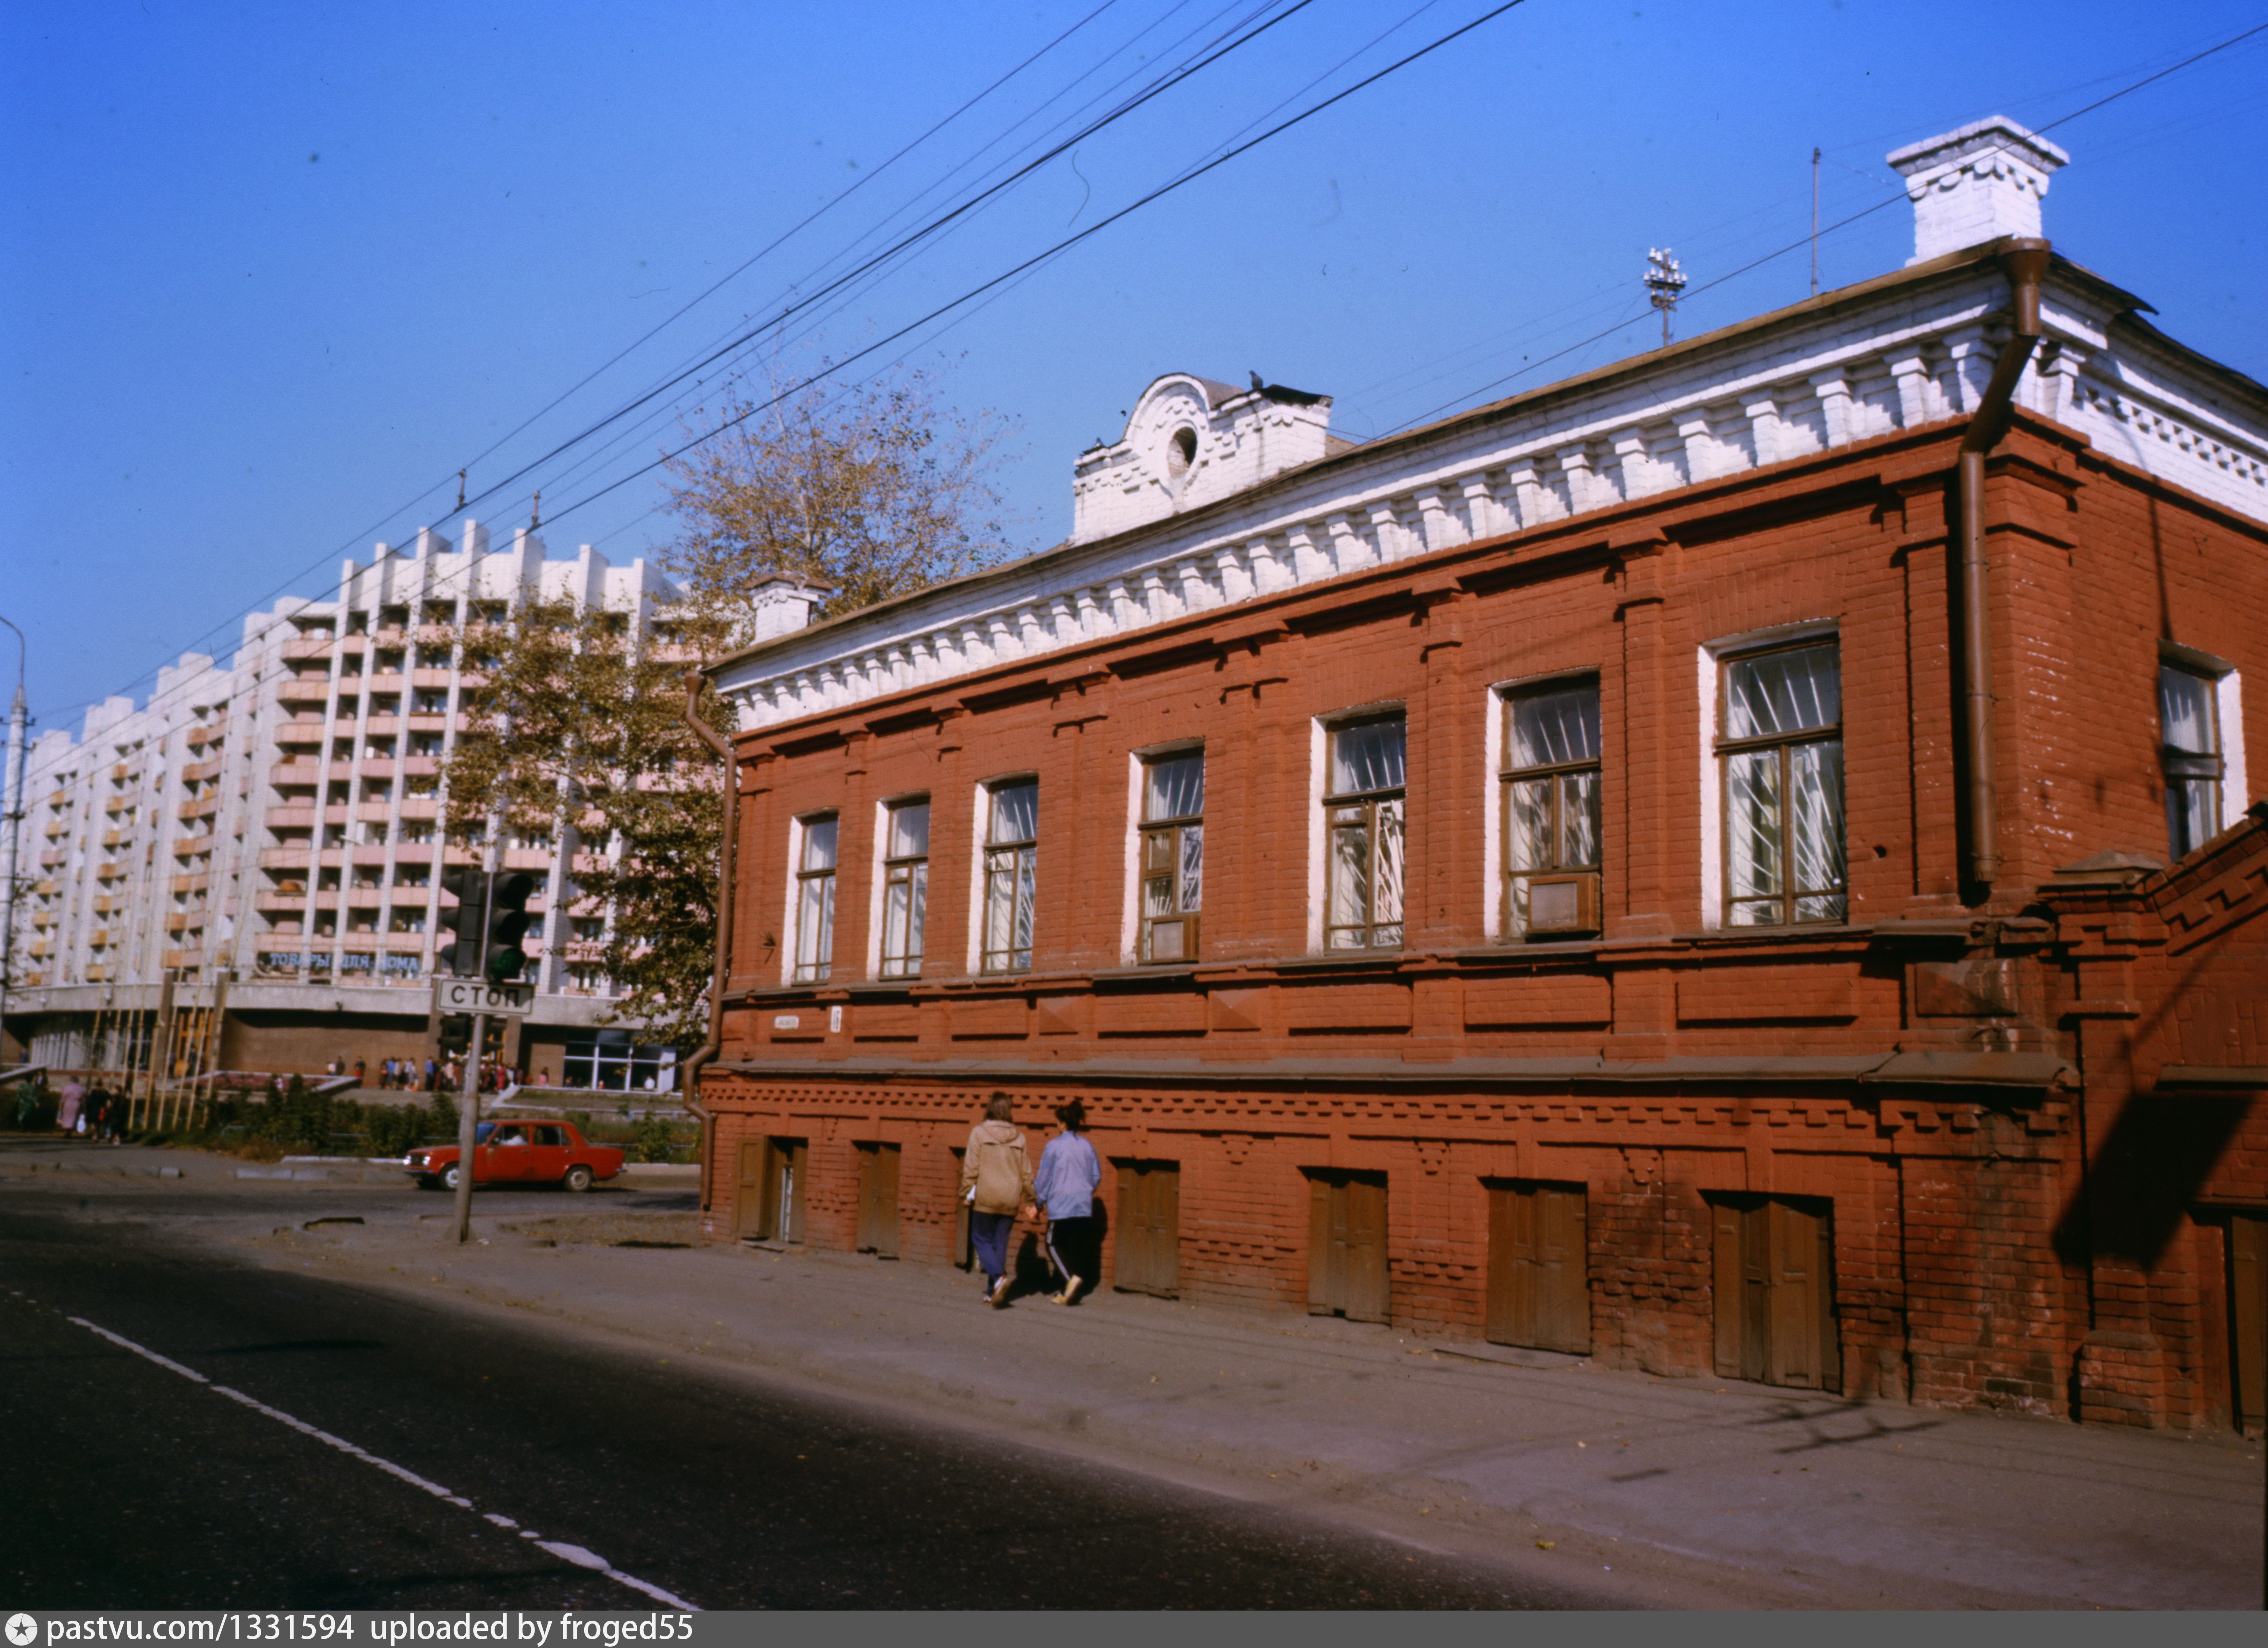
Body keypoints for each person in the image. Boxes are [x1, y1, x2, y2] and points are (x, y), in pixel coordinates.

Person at [957, 1093, 1037, 1307]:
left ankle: (999, 1278)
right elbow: (1026, 1174)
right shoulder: (1020, 1137)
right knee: (1000, 1243)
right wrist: (1030, 1201)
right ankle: (993, 1293)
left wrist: (966, 1193)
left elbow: (972, 1168)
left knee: (981, 1240)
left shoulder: (979, 1133)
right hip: (1010, 1197)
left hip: (986, 1195)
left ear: (990, 1108)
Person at [1033, 1100, 1103, 1305]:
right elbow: (1096, 1176)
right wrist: (1084, 1192)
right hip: (1082, 1206)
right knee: (1073, 1247)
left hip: (1061, 1206)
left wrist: (1038, 1202)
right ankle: (1069, 1290)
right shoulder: (1088, 1146)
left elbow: (1044, 1178)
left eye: (1058, 1121)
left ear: (1063, 1124)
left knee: (1052, 1244)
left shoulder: (1054, 1146)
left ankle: (1072, 1281)